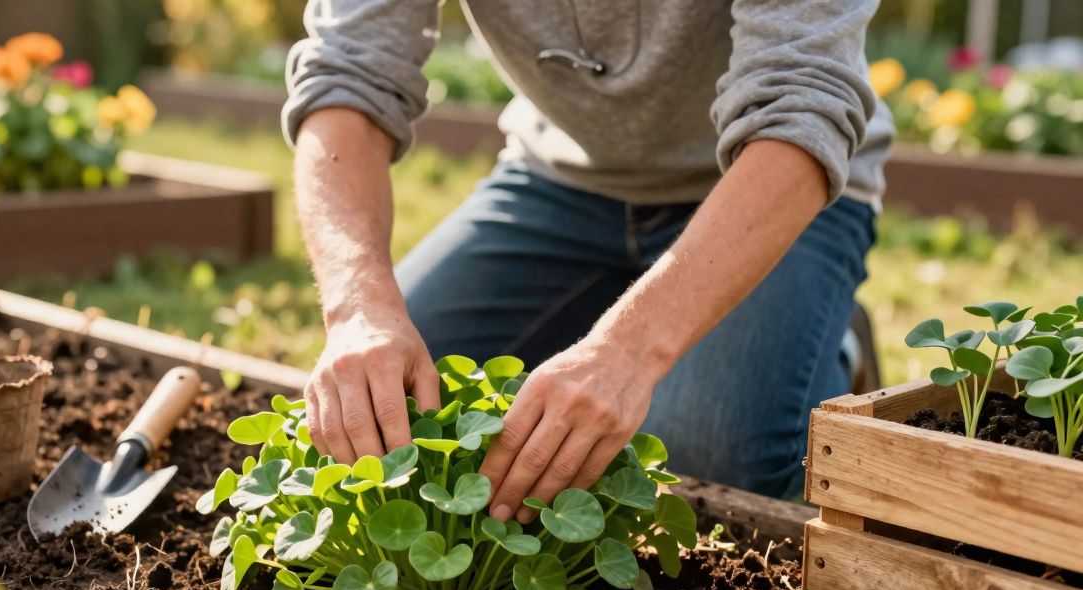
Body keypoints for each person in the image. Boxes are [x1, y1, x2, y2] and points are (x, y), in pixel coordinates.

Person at [283, 1, 894, 519]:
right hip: (557, 183)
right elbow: (346, 73)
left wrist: (626, 352)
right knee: (396, 409)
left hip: (769, 182)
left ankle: (833, 342)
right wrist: (358, 305)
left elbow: (802, 102)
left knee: (700, 453)